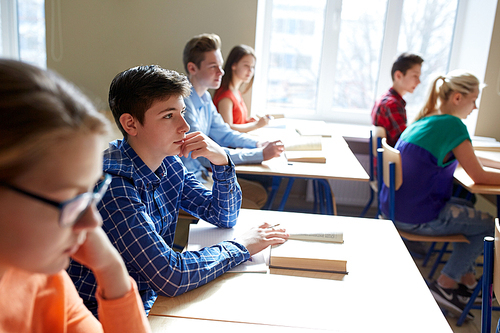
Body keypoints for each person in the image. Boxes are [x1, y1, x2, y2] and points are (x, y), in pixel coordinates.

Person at [67, 64, 289, 316]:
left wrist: (222, 160)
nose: (185, 126)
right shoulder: (114, 184)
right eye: (169, 115)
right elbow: (170, 275)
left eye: (183, 112)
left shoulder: (169, 161)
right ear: (130, 124)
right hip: (103, 317)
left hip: (148, 300)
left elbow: (223, 216)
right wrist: (243, 246)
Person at [0, 60, 151, 332]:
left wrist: (112, 270)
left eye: (92, 193)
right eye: (71, 200)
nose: (93, 222)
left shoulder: (46, 281)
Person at [379, 69, 500, 318]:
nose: (475, 107)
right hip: (419, 216)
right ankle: (446, 285)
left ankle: (464, 280)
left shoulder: (428, 120)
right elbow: (479, 176)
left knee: (467, 209)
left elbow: (472, 159)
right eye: (473, 99)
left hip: (397, 209)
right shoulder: (453, 125)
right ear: (457, 98)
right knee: (489, 226)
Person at [181, 33, 284, 209]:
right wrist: (260, 154)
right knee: (250, 205)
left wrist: (257, 143)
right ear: (192, 68)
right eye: (213, 66)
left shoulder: (205, 97)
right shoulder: (184, 103)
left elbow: (225, 133)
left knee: (259, 194)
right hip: (189, 184)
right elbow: (205, 155)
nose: (221, 72)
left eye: (220, 66)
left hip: (205, 176)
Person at [213, 44, 271, 133]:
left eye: (252, 67)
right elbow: (227, 128)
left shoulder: (235, 92)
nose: (250, 70)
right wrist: (256, 125)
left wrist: (248, 122)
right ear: (234, 65)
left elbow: (237, 122)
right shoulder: (225, 96)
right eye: (246, 65)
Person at [371, 52, 424, 147]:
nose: (419, 81)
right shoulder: (392, 105)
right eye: (415, 76)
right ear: (398, 75)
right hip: (394, 160)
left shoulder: (384, 99)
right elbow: (404, 142)